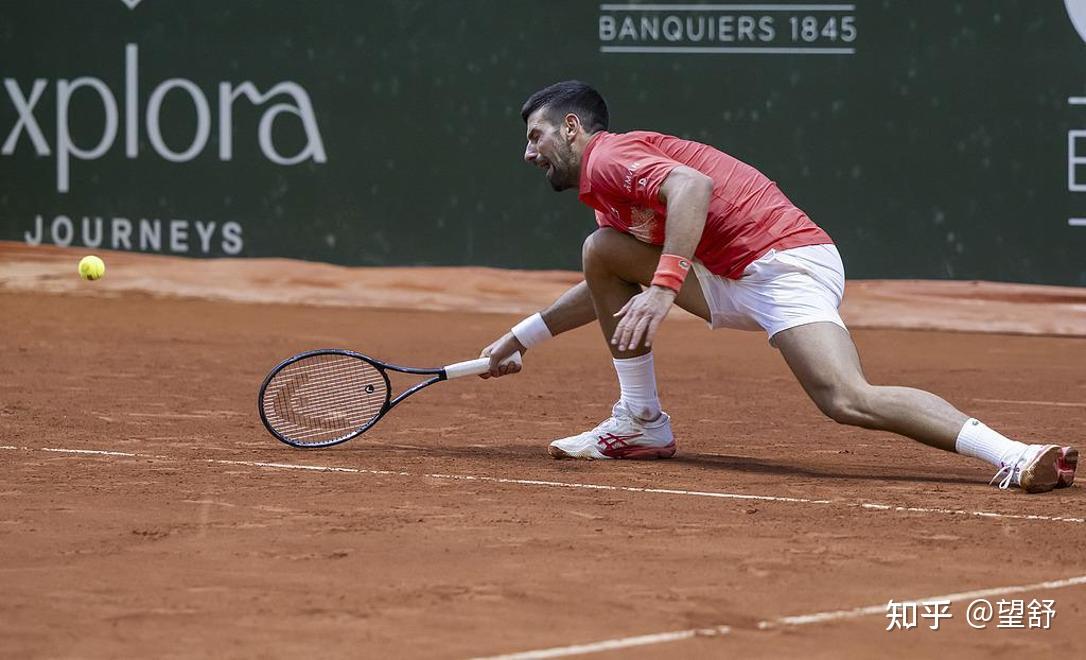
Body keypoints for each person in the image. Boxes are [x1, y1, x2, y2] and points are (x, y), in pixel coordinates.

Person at [479, 80, 1077, 493]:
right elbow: (603, 277)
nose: (528, 152)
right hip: (728, 274)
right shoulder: (607, 196)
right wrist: (523, 335)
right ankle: (640, 420)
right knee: (603, 252)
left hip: (784, 263)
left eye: (536, 136)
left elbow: (692, 188)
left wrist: (665, 286)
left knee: (845, 399)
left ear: (574, 127)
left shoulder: (611, 157)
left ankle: (1015, 455)